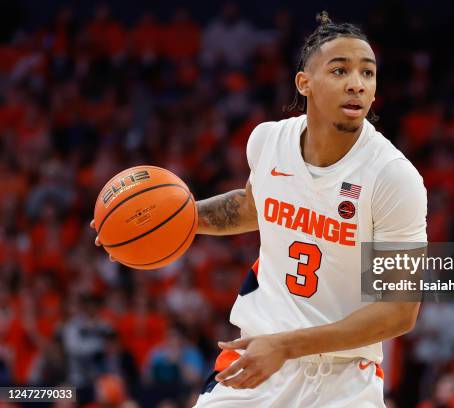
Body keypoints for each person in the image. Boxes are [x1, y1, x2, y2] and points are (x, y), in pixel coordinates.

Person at [93, 11, 427, 407]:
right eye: (340, 71)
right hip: (255, 363)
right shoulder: (268, 141)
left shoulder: (392, 176)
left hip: (341, 379)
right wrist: (161, 224)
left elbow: (399, 312)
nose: (356, 84)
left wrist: (286, 346)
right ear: (304, 83)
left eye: (367, 74)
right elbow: (257, 206)